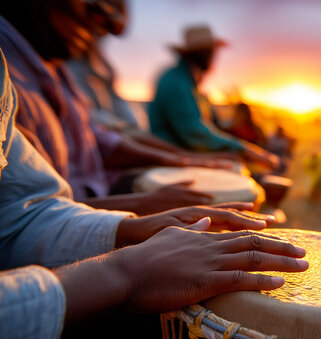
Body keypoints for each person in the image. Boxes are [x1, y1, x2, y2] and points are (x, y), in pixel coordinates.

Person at [0, 48, 309, 339]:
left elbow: (21, 212)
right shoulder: (174, 82)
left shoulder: (56, 68)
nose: (110, 17)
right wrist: (122, 271)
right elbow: (191, 132)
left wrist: (134, 225)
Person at [0, 1, 229, 215]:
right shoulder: (8, 73)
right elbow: (28, 215)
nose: (98, 31)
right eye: (95, 10)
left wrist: (178, 160)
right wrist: (143, 204)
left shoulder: (56, 67)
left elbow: (94, 140)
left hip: (96, 193)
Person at [148, 24, 279, 169]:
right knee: (240, 168)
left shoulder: (190, 85)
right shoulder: (176, 83)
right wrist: (246, 150)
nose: (214, 58)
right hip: (176, 157)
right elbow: (194, 134)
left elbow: (210, 125)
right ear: (204, 54)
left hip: (185, 154)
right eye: (212, 53)